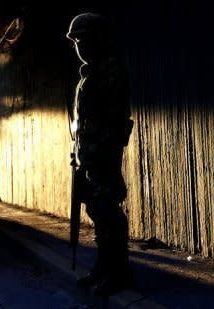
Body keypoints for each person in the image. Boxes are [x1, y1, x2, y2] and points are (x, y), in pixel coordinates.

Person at [66, 12, 134, 296]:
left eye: (82, 40)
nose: (78, 46)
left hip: (103, 157)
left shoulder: (109, 70)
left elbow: (116, 118)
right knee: (97, 212)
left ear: (96, 40)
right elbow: (83, 124)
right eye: (76, 41)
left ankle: (118, 273)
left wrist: (101, 152)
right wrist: (78, 155)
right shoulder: (87, 76)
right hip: (89, 159)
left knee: (109, 215)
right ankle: (104, 268)